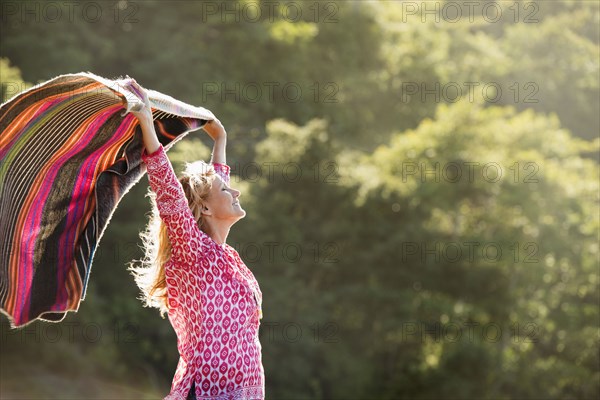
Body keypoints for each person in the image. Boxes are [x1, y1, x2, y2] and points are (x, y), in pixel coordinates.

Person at [125, 79, 265, 400]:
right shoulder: (194, 252)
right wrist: (147, 120)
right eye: (226, 190)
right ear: (203, 206)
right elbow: (168, 191)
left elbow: (216, 188)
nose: (236, 191)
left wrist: (221, 139)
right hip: (204, 394)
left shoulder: (225, 255)